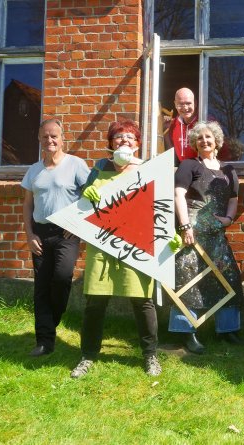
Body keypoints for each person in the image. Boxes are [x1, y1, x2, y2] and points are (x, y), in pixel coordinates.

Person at [70, 120, 161, 378]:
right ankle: (87, 355)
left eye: (130, 138)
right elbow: (83, 202)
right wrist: (87, 193)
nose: (124, 142)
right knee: (95, 302)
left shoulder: (148, 169)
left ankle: (150, 355)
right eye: (119, 137)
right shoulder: (100, 167)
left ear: (138, 143)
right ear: (111, 144)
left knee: (142, 300)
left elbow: (159, 207)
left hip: (136, 243)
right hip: (102, 243)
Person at [169, 121, 244, 354]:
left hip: (216, 232)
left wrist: (229, 219)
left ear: (217, 141)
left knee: (228, 276)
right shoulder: (188, 165)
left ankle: (227, 329)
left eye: (208, 137)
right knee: (187, 277)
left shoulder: (228, 170)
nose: (204, 141)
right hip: (193, 232)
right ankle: (186, 332)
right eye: (199, 138)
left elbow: (233, 198)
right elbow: (178, 195)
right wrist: (185, 226)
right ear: (194, 143)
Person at [21, 118, 90, 357]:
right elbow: (27, 205)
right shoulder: (33, 171)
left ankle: (52, 321)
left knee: (61, 279)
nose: (50, 140)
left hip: (66, 234)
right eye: (45, 136)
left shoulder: (76, 165)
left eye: (54, 136)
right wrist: (29, 235)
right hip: (40, 234)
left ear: (62, 139)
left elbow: (91, 196)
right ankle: (44, 341)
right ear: (39, 140)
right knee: (41, 287)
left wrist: (78, 223)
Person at [165, 87, 199, 166]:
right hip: (183, 168)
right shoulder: (173, 124)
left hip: (202, 168)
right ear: (175, 104)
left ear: (195, 103)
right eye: (180, 104)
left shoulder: (204, 122)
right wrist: (165, 130)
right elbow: (171, 152)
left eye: (188, 103)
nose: (185, 108)